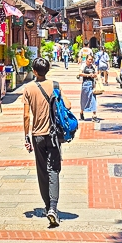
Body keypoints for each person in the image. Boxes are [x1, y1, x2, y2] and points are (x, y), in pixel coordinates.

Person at [22, 57, 71, 227]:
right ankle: (54, 208)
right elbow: (69, 105)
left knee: (42, 172)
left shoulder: (28, 88)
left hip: (37, 136)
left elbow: (27, 115)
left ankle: (47, 206)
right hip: (53, 135)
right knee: (54, 170)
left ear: (34, 71)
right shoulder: (55, 86)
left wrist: (26, 136)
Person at [78, 55, 98, 121]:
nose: (90, 61)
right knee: (84, 99)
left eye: (91, 59)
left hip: (92, 84)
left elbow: (96, 74)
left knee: (93, 99)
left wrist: (94, 75)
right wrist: (88, 75)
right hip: (85, 84)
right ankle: (81, 113)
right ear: (86, 60)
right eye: (89, 59)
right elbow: (80, 73)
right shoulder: (83, 66)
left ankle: (94, 115)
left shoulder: (93, 66)